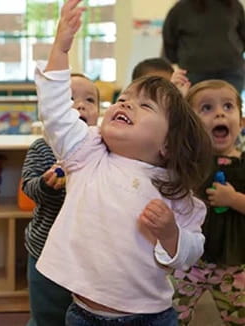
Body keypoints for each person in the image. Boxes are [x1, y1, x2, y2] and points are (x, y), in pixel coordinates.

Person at [35, 1, 214, 325]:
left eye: (143, 105)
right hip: (82, 314)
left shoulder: (173, 187)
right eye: (123, 99)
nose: (126, 104)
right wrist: (61, 48)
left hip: (149, 317)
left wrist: (171, 233)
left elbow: (191, 253)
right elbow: (55, 113)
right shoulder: (89, 155)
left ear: (168, 145)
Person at [22, 72, 100, 326]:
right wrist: (46, 183)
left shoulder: (104, 149)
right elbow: (28, 187)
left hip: (88, 252)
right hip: (45, 249)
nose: (81, 105)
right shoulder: (42, 147)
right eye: (69, 99)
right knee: (47, 314)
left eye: (90, 100)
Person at [172, 79, 245, 326]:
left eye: (228, 107)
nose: (219, 113)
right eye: (207, 108)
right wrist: (176, 99)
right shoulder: (190, 161)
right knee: (171, 313)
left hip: (235, 263)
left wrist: (234, 199)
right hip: (191, 262)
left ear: (241, 121)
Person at [162, 0, 245, 93]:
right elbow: (169, 39)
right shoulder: (181, 8)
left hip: (231, 70)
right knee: (194, 105)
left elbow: (242, 34)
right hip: (194, 72)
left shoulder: (234, 6)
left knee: (231, 104)